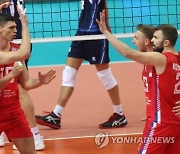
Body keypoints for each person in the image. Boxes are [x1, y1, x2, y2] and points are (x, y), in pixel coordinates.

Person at [97, 10, 180, 153]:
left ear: (166, 42)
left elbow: (128, 53)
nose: (153, 40)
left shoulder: (161, 59)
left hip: (161, 123)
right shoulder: (176, 57)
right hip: (175, 123)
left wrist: (105, 32)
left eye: (155, 37)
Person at [35, 0, 127, 129]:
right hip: (81, 33)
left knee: (104, 74)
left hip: (96, 34)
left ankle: (119, 114)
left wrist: (105, 27)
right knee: (69, 72)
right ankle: (56, 115)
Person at [0, 11, 56, 153]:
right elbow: (25, 53)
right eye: (11, 28)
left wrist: (40, 81)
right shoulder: (18, 53)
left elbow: (26, 84)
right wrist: (25, 25)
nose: (15, 30)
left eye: (16, 27)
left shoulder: (15, 49)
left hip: (13, 112)